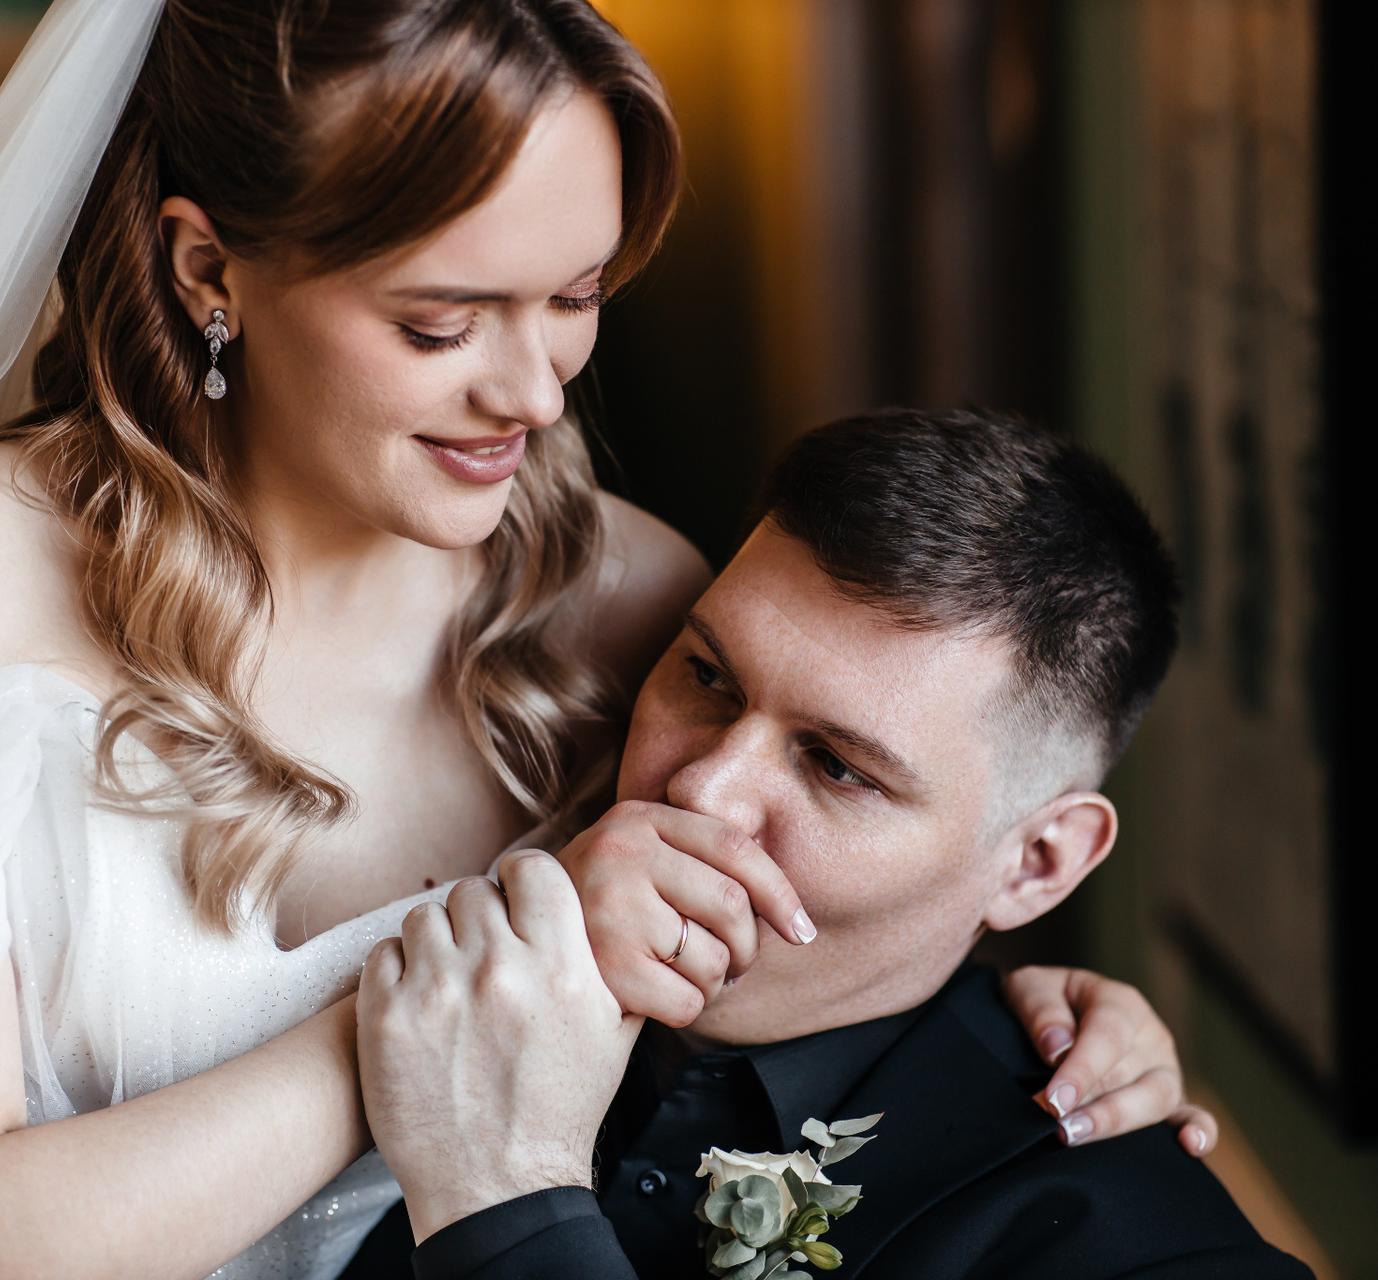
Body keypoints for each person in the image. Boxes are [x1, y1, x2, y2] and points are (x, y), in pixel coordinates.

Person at [0, 5, 1204, 1279]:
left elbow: (837, 846)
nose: (533, 392)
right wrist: (432, 1004)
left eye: (578, 297)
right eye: (443, 322)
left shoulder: (637, 600)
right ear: (210, 268)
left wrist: (1032, 1016)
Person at [350, 410, 1313, 1280]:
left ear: (1038, 863)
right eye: (708, 676)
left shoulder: (1152, 1254)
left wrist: (508, 1202)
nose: (700, 788)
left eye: (838, 767)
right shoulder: (469, 890)